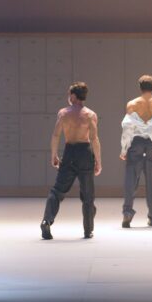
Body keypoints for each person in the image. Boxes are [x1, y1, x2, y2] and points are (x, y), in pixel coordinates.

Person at [41, 82, 102, 239]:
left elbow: (56, 135)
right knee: (88, 195)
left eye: (69, 95)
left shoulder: (63, 114)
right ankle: (88, 230)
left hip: (69, 152)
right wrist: (98, 161)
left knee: (57, 191)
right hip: (85, 153)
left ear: (73, 96)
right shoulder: (90, 115)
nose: (68, 97)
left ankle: (46, 221)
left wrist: (54, 155)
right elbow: (94, 139)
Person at [120, 75, 152, 228]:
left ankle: (127, 212)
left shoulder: (132, 104)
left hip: (136, 143)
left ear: (140, 87)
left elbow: (127, 128)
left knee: (131, 180)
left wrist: (124, 148)